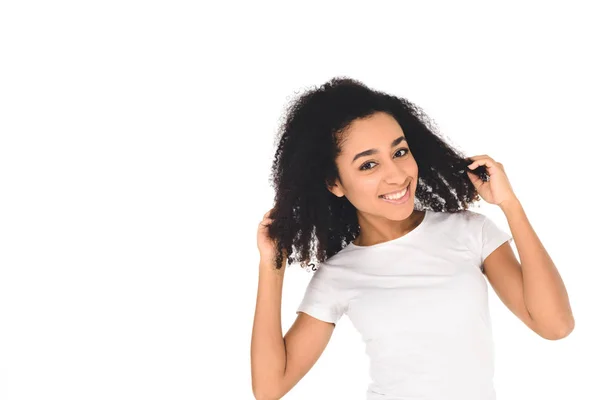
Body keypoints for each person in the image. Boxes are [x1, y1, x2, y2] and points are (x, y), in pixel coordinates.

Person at [250, 77, 574, 400]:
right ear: (335, 183)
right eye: (369, 164)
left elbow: (555, 326)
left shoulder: (469, 231)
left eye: (400, 151)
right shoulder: (338, 275)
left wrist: (510, 205)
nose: (397, 174)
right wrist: (272, 267)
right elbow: (269, 388)